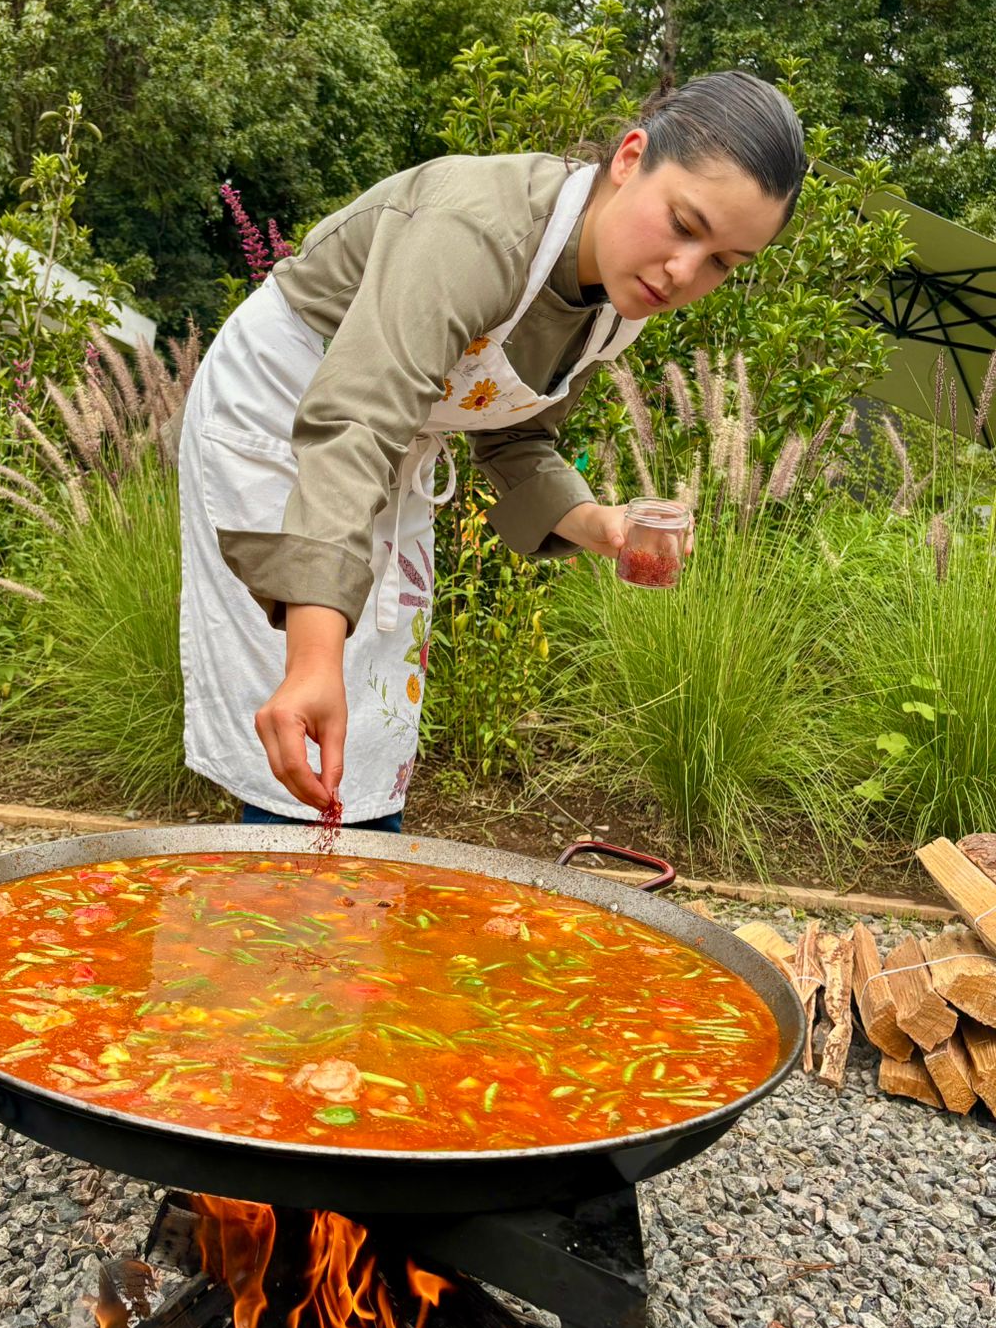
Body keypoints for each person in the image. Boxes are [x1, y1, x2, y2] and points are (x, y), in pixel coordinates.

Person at [178, 69, 806, 831]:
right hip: (288, 412)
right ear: (630, 157)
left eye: (722, 264)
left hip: (397, 443)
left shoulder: (620, 300)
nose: (684, 272)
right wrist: (312, 660)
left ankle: (347, 892)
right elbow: (357, 421)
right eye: (683, 223)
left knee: (377, 724)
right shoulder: (477, 232)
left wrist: (601, 525)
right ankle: (283, 900)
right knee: (301, 715)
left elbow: (513, 434)